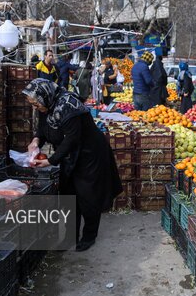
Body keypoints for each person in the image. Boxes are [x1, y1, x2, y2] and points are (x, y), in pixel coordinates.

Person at [23, 79, 122, 252]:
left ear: (44, 96)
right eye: (32, 104)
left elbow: (72, 139)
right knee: (68, 194)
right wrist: (36, 141)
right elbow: (43, 128)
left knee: (87, 195)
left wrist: (50, 160)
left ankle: (89, 236)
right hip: (69, 155)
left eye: (35, 103)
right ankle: (69, 237)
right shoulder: (46, 103)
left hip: (89, 154)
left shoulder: (69, 105)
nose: (35, 107)